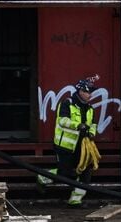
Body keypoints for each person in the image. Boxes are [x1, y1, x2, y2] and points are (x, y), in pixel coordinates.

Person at [37, 75, 100, 206]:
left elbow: (93, 124)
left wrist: (91, 133)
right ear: (81, 91)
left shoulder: (89, 108)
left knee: (85, 172)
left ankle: (75, 200)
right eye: (88, 92)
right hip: (65, 146)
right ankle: (43, 177)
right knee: (66, 173)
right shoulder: (67, 103)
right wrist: (77, 126)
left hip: (82, 146)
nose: (90, 95)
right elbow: (62, 120)